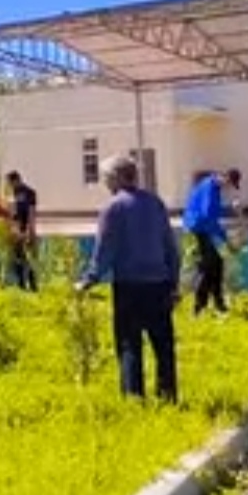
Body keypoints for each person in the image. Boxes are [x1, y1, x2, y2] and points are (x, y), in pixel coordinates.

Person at [78, 155, 181, 402]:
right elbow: (170, 247)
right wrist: (173, 281)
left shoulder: (113, 208)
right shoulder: (155, 203)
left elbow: (105, 251)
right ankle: (168, 396)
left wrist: (88, 280)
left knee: (129, 344)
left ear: (115, 178)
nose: (105, 183)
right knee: (163, 345)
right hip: (159, 283)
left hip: (129, 286)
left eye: (106, 178)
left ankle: (134, 398)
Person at [182, 167, 241, 315]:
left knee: (217, 264)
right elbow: (208, 217)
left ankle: (218, 303)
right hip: (197, 228)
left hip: (201, 228)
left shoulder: (213, 187)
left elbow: (213, 212)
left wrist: (230, 210)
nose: (228, 188)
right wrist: (225, 239)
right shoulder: (210, 187)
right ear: (225, 177)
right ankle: (199, 307)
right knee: (208, 267)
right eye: (229, 184)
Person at [6, 169, 38, 291]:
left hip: (24, 228)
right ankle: (22, 286)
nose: (10, 185)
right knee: (19, 258)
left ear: (16, 180)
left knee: (28, 258)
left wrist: (30, 231)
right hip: (17, 229)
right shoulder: (13, 194)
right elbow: (11, 214)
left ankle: (31, 285)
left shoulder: (28, 192)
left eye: (10, 182)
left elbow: (31, 213)